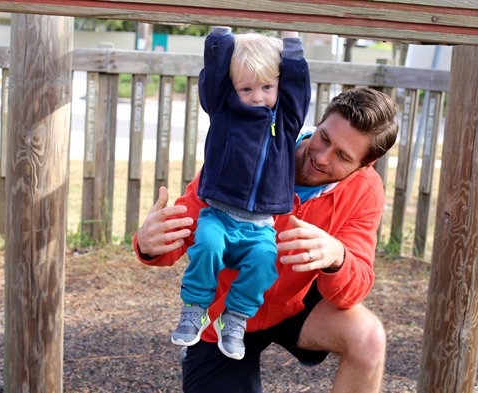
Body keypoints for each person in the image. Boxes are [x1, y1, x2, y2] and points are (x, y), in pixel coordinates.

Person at [133, 87, 399, 392]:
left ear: (367, 163)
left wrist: (338, 256)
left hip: (295, 303)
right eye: (324, 138)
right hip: (229, 310)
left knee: (369, 338)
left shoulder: (366, 189)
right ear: (320, 121)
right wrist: (148, 243)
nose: (323, 157)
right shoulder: (253, 149)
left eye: (342, 156)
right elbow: (183, 228)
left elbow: (352, 290)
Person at [169, 26, 311, 360]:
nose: (258, 96)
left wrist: (291, 40)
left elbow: (297, 85)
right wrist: (220, 34)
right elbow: (214, 74)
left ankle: (234, 319)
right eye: (246, 88)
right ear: (232, 88)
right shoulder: (223, 111)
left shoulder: (285, 122)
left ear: (277, 85)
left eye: (266, 87)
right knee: (206, 245)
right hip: (218, 215)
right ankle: (194, 308)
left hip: (260, 225)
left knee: (265, 263)